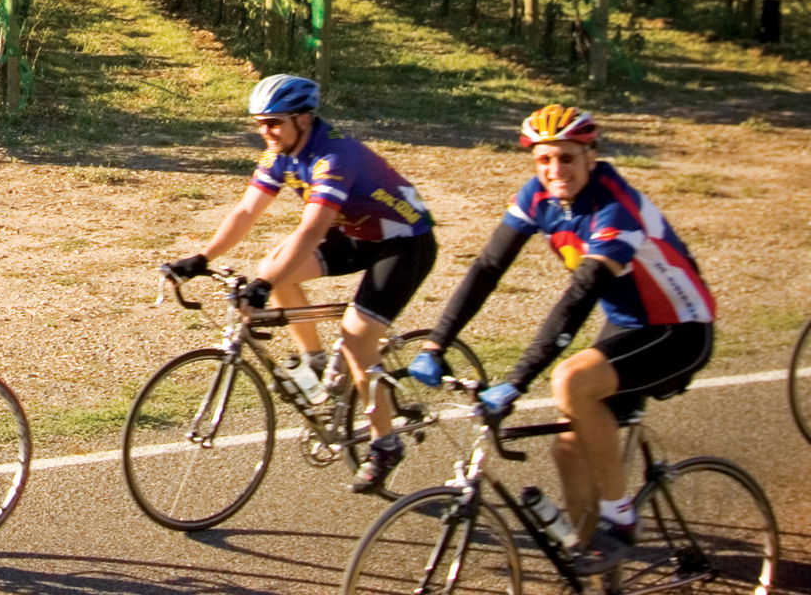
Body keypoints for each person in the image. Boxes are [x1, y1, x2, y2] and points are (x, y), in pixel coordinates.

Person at [407, 106, 715, 576]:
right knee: (568, 449)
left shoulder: (616, 209)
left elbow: (578, 298)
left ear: (590, 155)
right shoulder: (539, 195)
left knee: (571, 380)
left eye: (566, 159)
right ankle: (594, 563)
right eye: (544, 160)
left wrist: (516, 381)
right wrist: (436, 343)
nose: (554, 171)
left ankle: (621, 518)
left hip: (679, 329)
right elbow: (488, 268)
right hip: (629, 323)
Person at [162, 74, 437, 494]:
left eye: (274, 122)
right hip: (359, 234)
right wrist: (201, 258)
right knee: (274, 264)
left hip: (403, 242)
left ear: (304, 119)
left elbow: (310, 232)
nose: (265, 132)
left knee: (358, 335)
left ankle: (385, 443)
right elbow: (245, 213)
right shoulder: (280, 154)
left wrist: (263, 286)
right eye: (260, 123)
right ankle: (315, 362)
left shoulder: (334, 157)